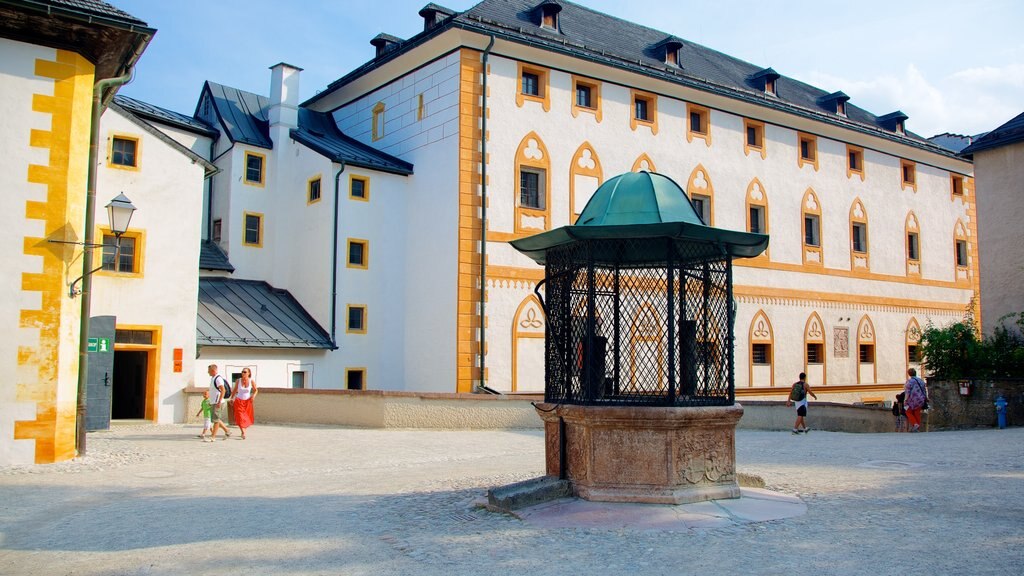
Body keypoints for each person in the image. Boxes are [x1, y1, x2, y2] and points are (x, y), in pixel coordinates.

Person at [207, 364, 232, 440]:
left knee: (216, 420)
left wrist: (219, 401)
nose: (208, 372)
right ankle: (227, 430)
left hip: (218, 402)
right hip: (214, 401)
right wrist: (210, 401)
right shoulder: (213, 378)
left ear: (213, 370)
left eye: (209, 371)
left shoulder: (218, 379)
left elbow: (223, 390)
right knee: (215, 419)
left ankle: (213, 437)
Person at [232, 367, 258, 439]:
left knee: (245, 418)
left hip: (247, 402)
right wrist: (232, 398)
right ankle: (243, 432)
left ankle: (243, 430)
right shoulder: (238, 381)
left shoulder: (251, 381)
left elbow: (256, 390)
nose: (243, 373)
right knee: (240, 417)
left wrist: (253, 396)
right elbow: (234, 390)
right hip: (239, 401)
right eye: (242, 372)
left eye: (245, 372)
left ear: (249, 373)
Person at [903, 368, 928, 432]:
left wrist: (905, 400)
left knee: (908, 411)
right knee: (917, 413)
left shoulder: (909, 382)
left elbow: (907, 392)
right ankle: (917, 428)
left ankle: (915, 424)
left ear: (909, 374)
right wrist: (926, 397)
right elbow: (924, 390)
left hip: (912, 400)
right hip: (920, 399)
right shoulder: (921, 380)